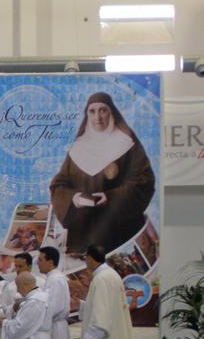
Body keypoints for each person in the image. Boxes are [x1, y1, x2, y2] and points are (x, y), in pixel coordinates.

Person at [50, 92, 155, 254]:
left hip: (118, 231)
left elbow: (144, 181)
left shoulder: (127, 144)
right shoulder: (79, 147)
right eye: (92, 111)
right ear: (87, 114)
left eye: (103, 110)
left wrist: (111, 197)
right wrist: (74, 198)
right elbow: (59, 184)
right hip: (81, 236)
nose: (97, 117)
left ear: (111, 112)